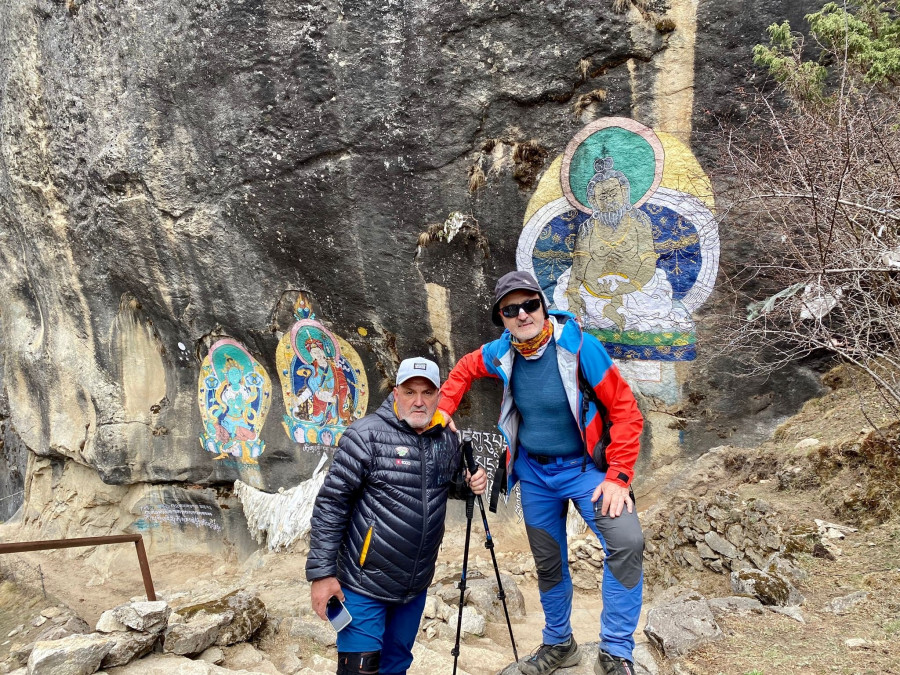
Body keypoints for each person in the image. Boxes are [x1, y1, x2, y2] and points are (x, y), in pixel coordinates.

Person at [439, 270, 645, 675]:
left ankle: (617, 649)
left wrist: (619, 476)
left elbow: (625, 411)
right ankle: (559, 643)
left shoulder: (581, 348)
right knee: (549, 562)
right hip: (535, 474)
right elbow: (464, 367)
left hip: (587, 471)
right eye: (510, 309)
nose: (522, 315)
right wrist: (444, 407)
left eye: (529, 304)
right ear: (502, 317)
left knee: (627, 541)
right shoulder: (502, 352)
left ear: (543, 305)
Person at [307, 357, 488, 675]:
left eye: (428, 392)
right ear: (396, 392)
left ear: (437, 396)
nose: (419, 401)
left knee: (396, 667)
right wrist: (322, 575)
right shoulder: (365, 436)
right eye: (410, 391)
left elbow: (447, 484)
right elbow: (330, 506)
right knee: (358, 670)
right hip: (363, 583)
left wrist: (470, 481)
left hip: (414, 586)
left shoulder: (445, 437)